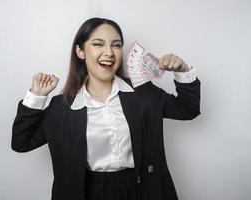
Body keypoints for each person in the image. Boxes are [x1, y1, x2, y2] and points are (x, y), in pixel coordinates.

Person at [11, 17, 200, 200]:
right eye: (98, 44)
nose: (109, 52)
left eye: (116, 45)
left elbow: (187, 110)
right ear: (80, 52)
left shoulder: (143, 93)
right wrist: (36, 97)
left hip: (140, 188)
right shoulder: (61, 107)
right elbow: (21, 142)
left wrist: (182, 70)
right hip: (85, 191)